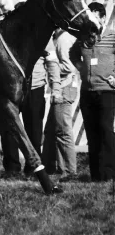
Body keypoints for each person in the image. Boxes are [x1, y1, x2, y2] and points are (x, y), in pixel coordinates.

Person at [0, 36, 61, 178]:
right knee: (8, 129)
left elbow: (52, 62)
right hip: (11, 88)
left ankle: (34, 168)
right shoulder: (10, 30)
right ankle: (11, 169)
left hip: (35, 88)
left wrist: (56, 87)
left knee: (34, 130)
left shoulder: (43, 34)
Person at [70, 2, 115, 182]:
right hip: (87, 92)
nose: (92, 20)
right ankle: (96, 175)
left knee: (105, 129)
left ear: (103, 18)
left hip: (107, 91)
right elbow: (72, 54)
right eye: (90, 17)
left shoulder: (112, 36)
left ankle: (110, 173)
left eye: (96, 16)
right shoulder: (83, 37)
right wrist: (81, 68)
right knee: (92, 132)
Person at [41, 27, 78, 181]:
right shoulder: (58, 37)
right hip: (61, 87)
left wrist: (47, 65)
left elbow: (69, 66)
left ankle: (69, 171)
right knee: (51, 131)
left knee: (63, 131)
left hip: (64, 88)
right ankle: (50, 167)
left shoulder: (62, 40)